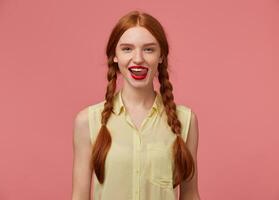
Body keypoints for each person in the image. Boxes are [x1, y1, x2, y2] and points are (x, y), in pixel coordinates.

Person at [72, 10, 200, 200]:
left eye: (149, 49)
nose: (138, 58)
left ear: (161, 56)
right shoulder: (87, 121)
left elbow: (190, 195)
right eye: (127, 49)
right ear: (114, 56)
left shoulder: (185, 120)